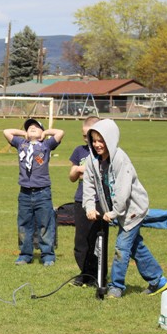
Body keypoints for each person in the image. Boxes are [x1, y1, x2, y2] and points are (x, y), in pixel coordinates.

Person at [82, 119, 167, 298]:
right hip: (118, 211)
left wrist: (114, 212)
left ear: (110, 139)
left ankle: (116, 286)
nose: (97, 144)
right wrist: (89, 207)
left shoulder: (120, 159)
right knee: (136, 246)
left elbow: (123, 191)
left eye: (101, 140)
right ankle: (158, 281)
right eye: (94, 140)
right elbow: (89, 185)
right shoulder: (93, 161)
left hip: (132, 210)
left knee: (122, 247)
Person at [3, 118, 64, 266]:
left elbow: (60, 132)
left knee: (45, 224)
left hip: (42, 192)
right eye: (30, 127)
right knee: (24, 224)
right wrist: (24, 133)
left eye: (36, 127)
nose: (32, 128)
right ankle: (25, 255)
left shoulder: (46, 145)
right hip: (24, 193)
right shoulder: (21, 144)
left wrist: (46, 133)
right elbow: (6, 132)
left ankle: (48, 255)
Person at [68, 116, 102, 284]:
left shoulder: (104, 152)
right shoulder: (79, 151)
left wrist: (86, 170)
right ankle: (84, 273)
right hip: (80, 200)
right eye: (83, 135)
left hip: (99, 202)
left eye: (89, 135)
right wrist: (78, 169)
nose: (86, 139)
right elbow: (72, 176)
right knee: (81, 241)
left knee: (96, 241)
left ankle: (98, 276)